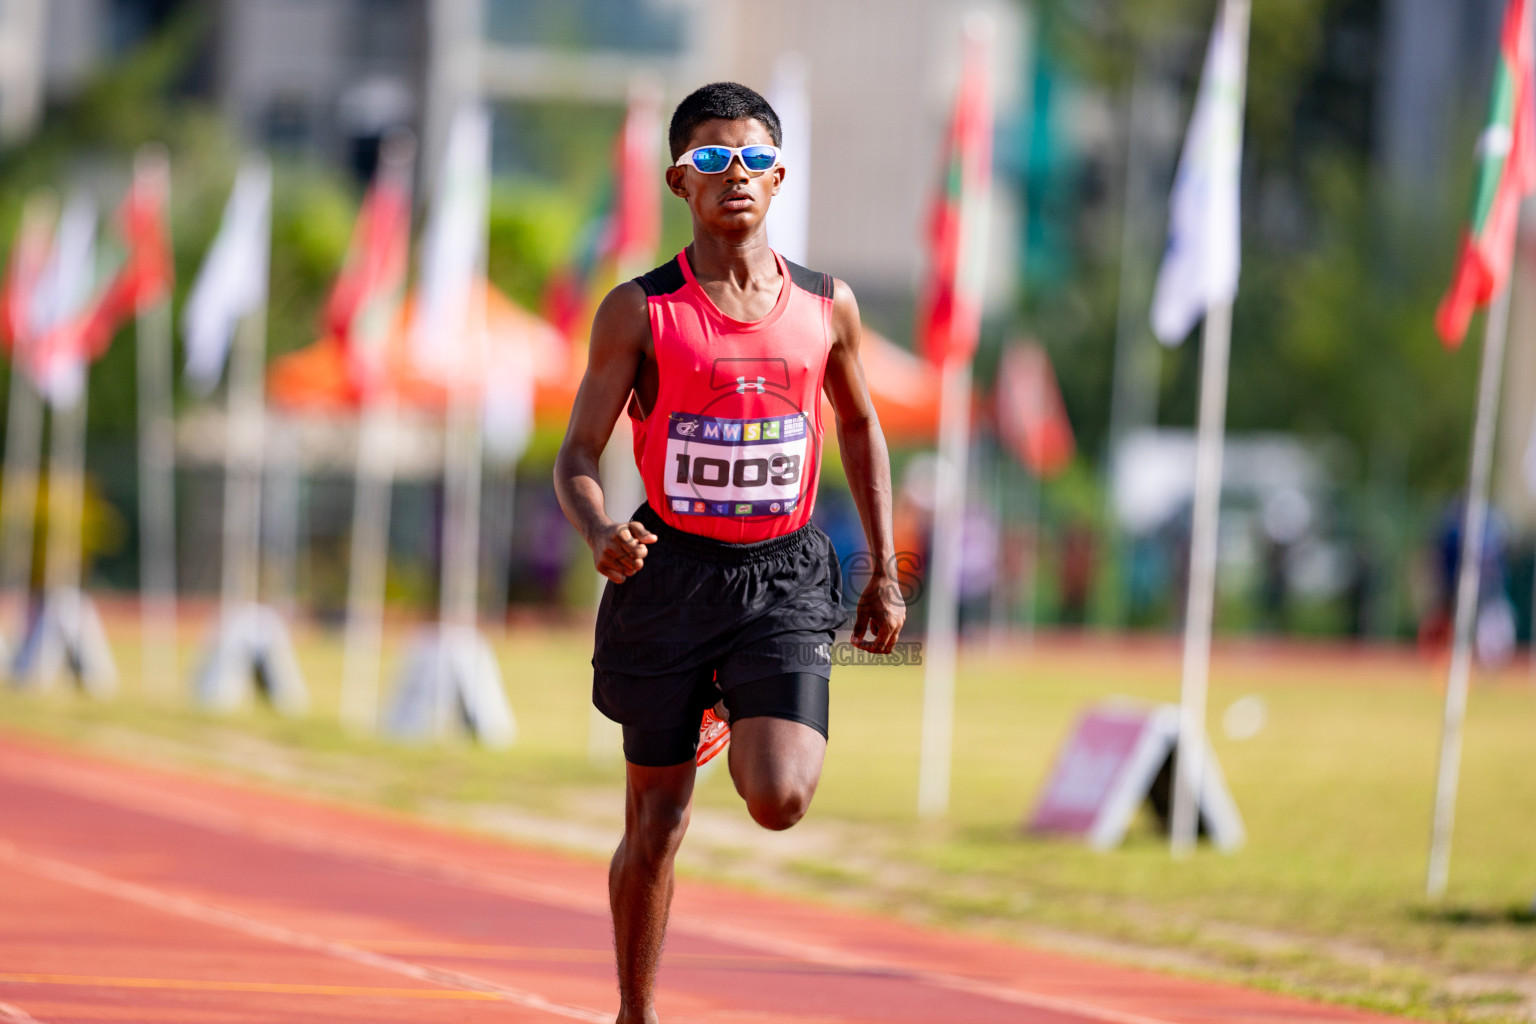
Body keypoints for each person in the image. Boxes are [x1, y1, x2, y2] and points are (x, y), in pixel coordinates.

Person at [553, 82, 905, 1023]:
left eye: (751, 156)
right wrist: (599, 532)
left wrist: (884, 574)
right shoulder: (638, 310)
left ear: (780, 174)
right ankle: (636, 1011)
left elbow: (864, 430)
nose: (734, 173)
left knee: (781, 795)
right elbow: (577, 453)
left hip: (784, 572)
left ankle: (729, 706)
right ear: (680, 180)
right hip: (667, 574)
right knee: (657, 823)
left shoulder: (828, 307)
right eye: (711, 158)